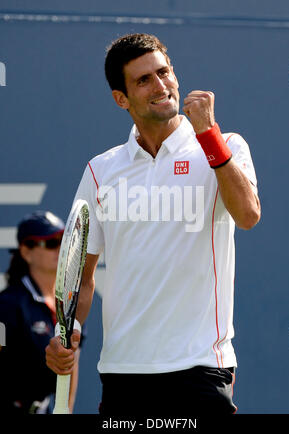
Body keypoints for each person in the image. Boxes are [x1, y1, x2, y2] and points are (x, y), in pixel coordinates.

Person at [46, 33, 261, 416]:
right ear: (121, 99)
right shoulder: (101, 170)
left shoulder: (225, 144)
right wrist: (71, 331)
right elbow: (83, 273)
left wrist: (208, 134)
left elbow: (247, 215)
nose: (161, 85)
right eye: (144, 80)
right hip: (123, 372)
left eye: (164, 72)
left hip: (200, 368)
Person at [0, 211, 82, 414]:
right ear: (26, 252)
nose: (60, 249)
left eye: (63, 241)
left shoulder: (71, 303)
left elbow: (73, 362)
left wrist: (67, 411)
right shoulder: (7, 305)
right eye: (51, 243)